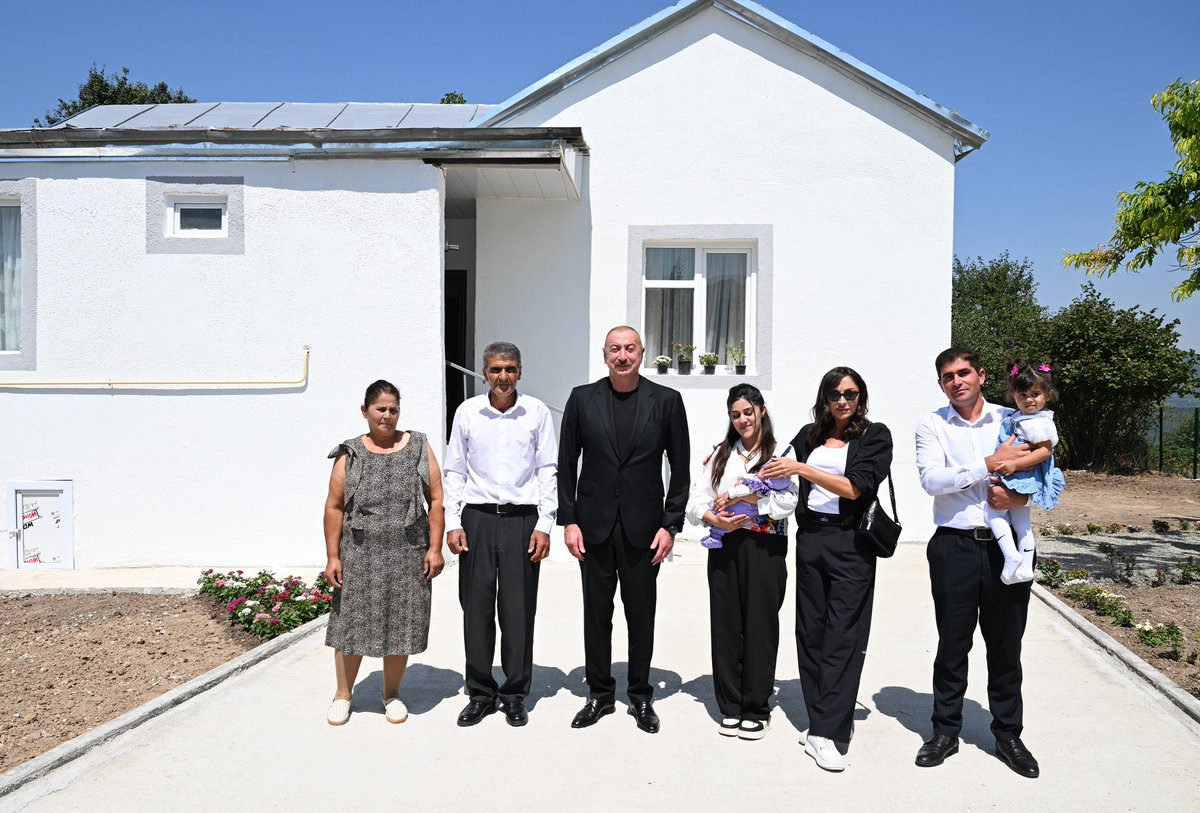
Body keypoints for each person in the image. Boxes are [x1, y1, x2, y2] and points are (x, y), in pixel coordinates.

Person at [913, 347, 1041, 778]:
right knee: (953, 644)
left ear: (981, 376)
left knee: (1006, 645)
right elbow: (932, 480)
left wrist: (1017, 496)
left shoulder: (1012, 418)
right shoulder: (932, 424)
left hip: (1007, 548)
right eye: (948, 376)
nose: (957, 381)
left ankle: (1008, 734)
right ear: (941, 384)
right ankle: (945, 731)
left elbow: (1041, 473)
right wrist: (987, 464)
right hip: (954, 547)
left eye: (964, 372)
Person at [558, 325, 690, 734]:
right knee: (596, 615)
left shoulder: (667, 401)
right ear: (604, 355)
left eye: (630, 348)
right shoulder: (582, 399)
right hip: (593, 527)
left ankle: (640, 695)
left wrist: (670, 525)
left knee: (641, 616)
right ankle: (599, 694)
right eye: (615, 349)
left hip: (644, 530)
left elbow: (680, 469)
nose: (622, 356)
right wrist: (569, 520)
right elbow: (566, 463)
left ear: (642, 353)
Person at [760, 367, 892, 772]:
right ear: (824, 398)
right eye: (835, 394)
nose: (843, 401)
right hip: (812, 539)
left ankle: (826, 731)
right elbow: (775, 466)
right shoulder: (810, 435)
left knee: (843, 634)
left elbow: (854, 487)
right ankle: (823, 721)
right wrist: (731, 457)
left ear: (860, 396)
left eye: (850, 393)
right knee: (811, 631)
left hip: (850, 542)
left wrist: (802, 469)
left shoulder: (875, 435)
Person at [443, 342, 558, 727]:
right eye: (495, 369)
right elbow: (455, 470)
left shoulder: (537, 412)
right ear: (484, 374)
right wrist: (453, 521)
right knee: (475, 607)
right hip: (476, 518)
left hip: (522, 520)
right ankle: (480, 692)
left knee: (518, 609)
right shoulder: (467, 412)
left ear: (520, 372)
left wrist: (544, 524)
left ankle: (514, 693)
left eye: (509, 369)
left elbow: (547, 470)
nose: (503, 377)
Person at [322, 380, 446, 727]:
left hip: (408, 553)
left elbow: (436, 500)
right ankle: (343, 695)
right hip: (359, 555)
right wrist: (333, 556)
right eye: (381, 409)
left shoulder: (418, 445)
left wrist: (435, 548)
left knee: (400, 623)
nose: (387, 416)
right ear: (365, 411)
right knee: (351, 625)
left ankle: (391, 694)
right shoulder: (350, 453)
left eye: (394, 409)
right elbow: (334, 506)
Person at [685, 384, 798, 740]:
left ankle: (756, 707)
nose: (743, 420)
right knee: (726, 624)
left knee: (761, 625)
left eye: (748, 412)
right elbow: (696, 499)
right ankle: (730, 705)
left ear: (761, 410)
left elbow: (788, 502)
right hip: (725, 547)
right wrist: (711, 517)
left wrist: (749, 504)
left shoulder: (781, 452)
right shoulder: (721, 454)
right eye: (736, 415)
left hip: (765, 547)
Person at [986, 361, 1065, 585]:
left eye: (1035, 394)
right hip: (1020, 476)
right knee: (1022, 524)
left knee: (992, 513)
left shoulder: (1038, 422)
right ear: (1013, 395)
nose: (1029, 399)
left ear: (1048, 395)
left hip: (1021, 476)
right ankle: (1026, 566)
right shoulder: (1023, 417)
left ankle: (1011, 555)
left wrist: (1014, 465)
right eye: (1023, 394)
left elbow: (1045, 452)